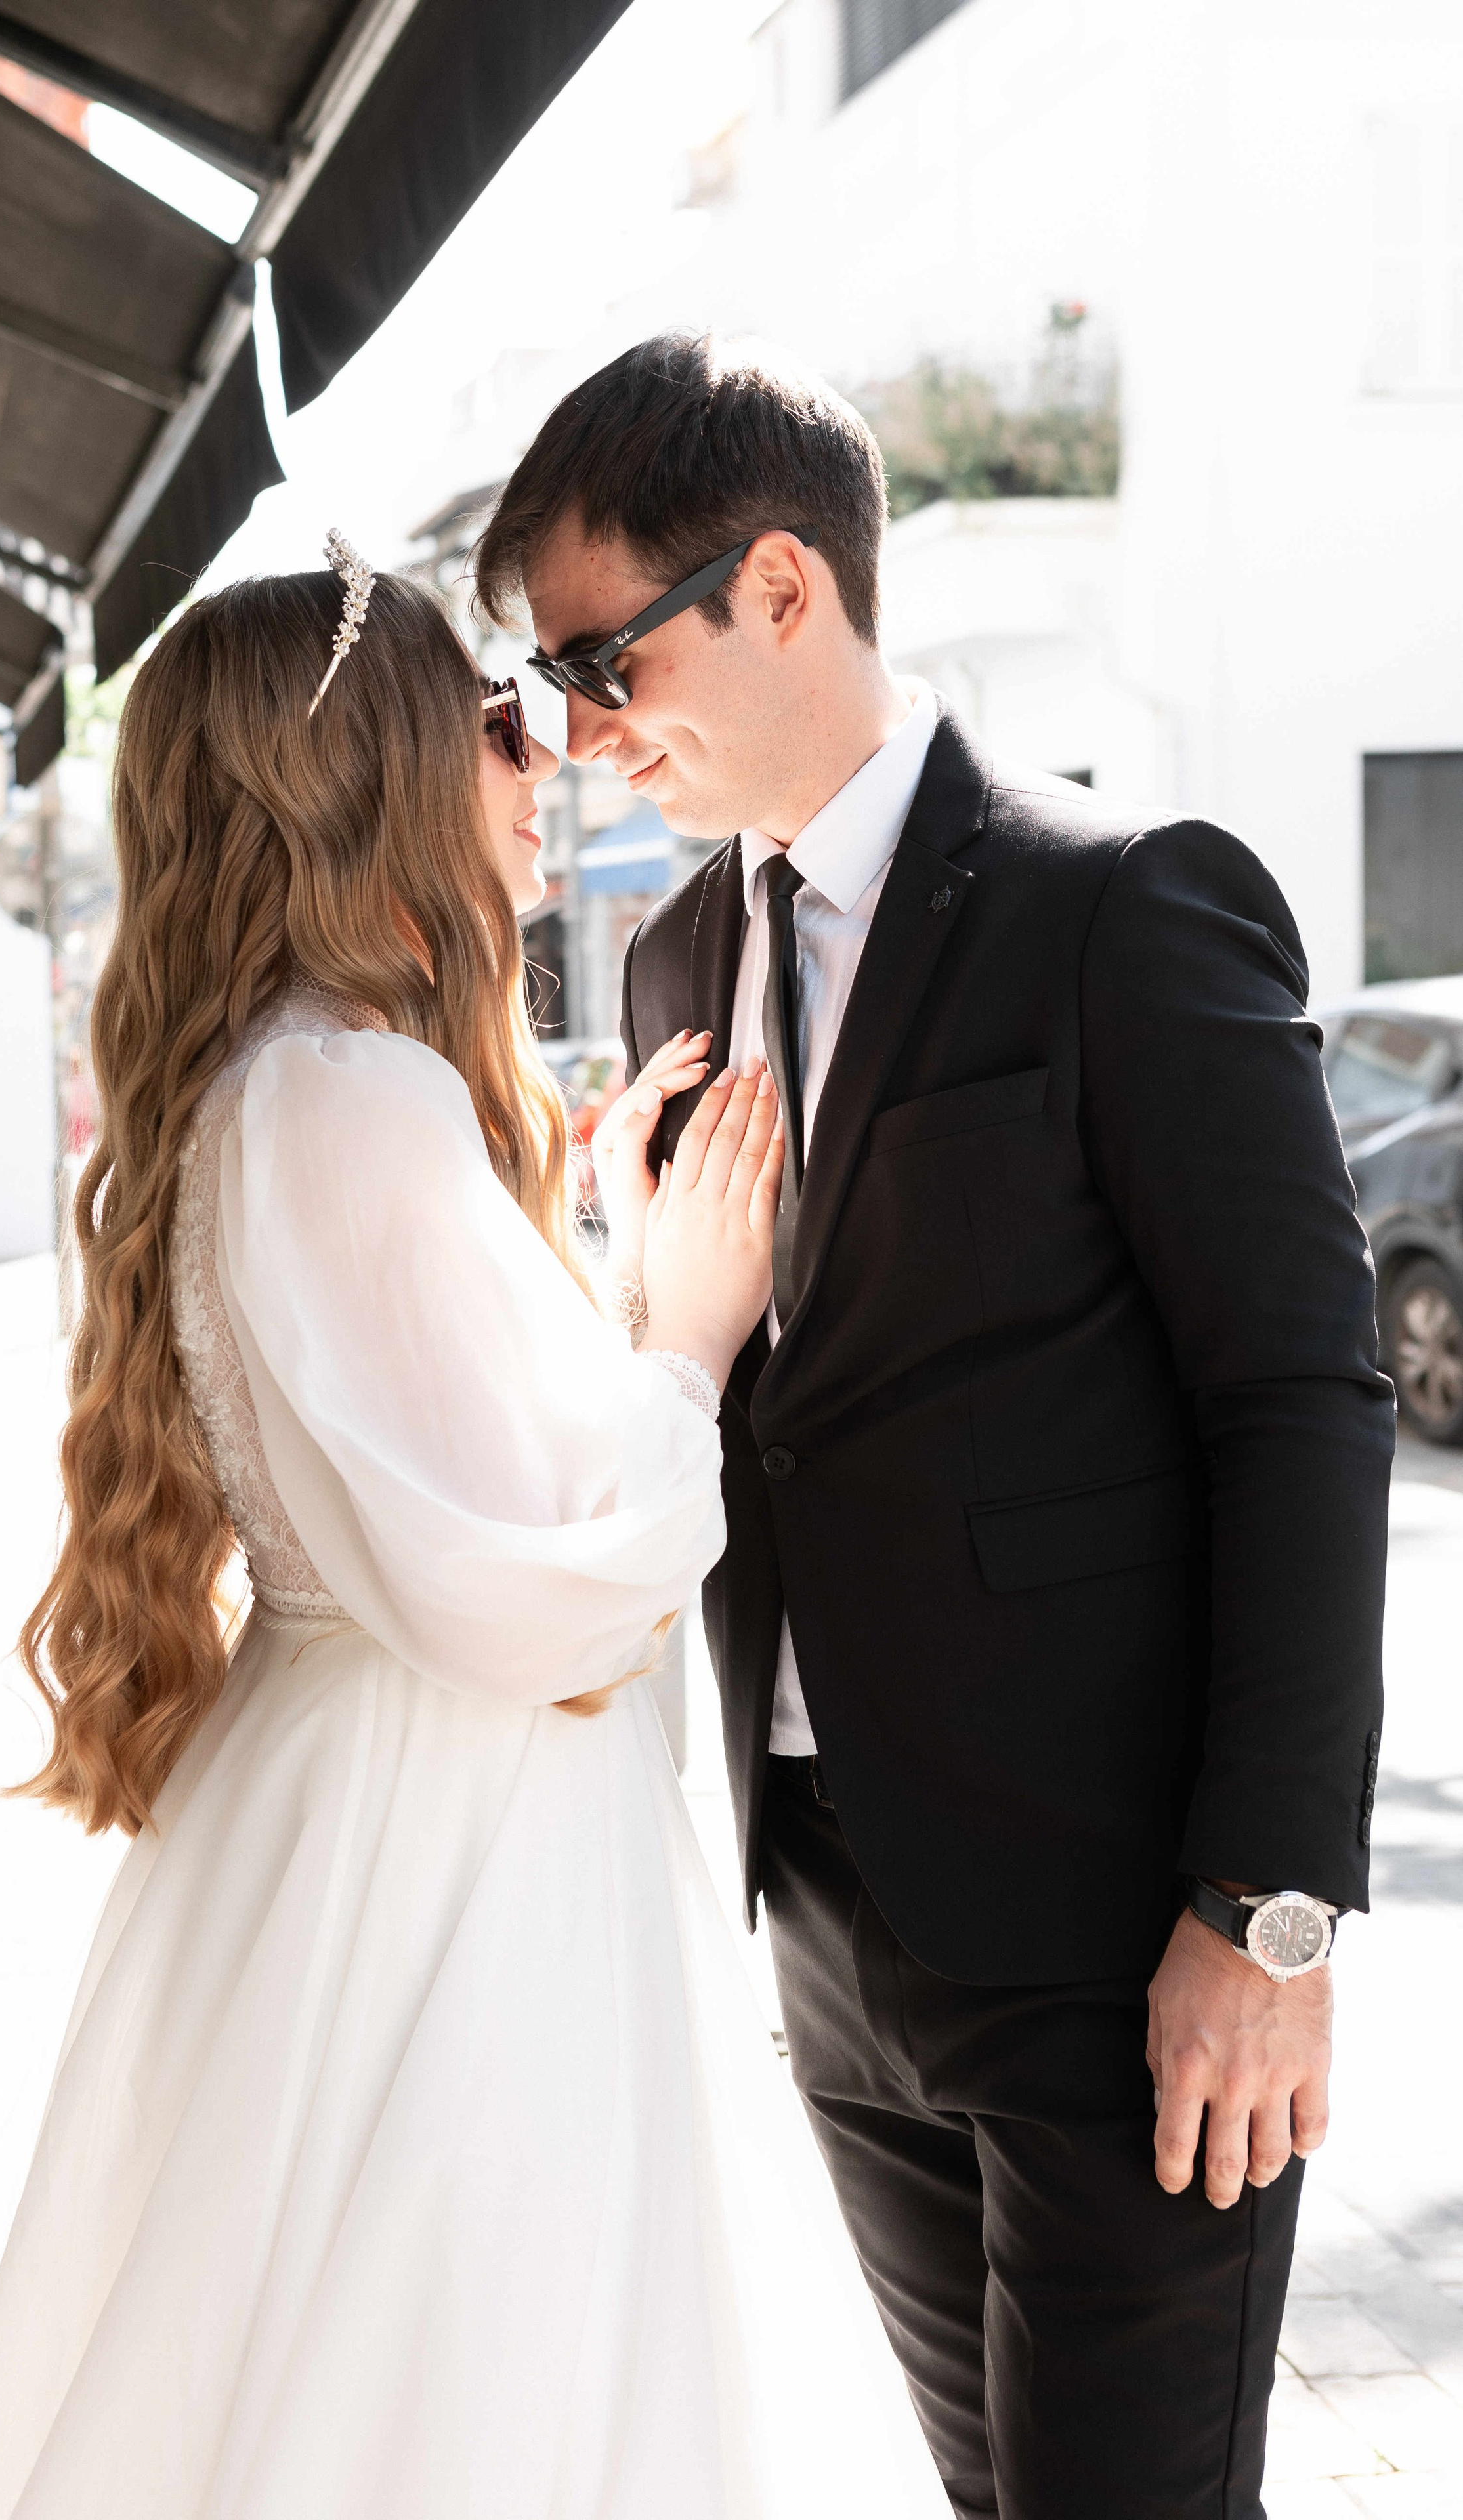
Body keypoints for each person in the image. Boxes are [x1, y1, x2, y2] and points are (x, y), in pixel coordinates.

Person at [0, 545, 951, 2519]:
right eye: (491, 725)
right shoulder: (348, 1096)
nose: (543, 757)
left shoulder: (280, 1088)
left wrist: (619, 1289)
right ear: (365, 780)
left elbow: (462, 1493)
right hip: (452, 1849)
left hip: (362, 1817)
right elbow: (551, 1594)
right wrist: (695, 1332)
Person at [474, 331, 1395, 2520]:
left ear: (783, 589)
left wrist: (1270, 1914)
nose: (587, 734)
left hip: (1118, 1944)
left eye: (608, 661)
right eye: (552, 691)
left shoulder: (1124, 900)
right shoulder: (674, 967)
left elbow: (1302, 1402)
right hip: (832, 1923)